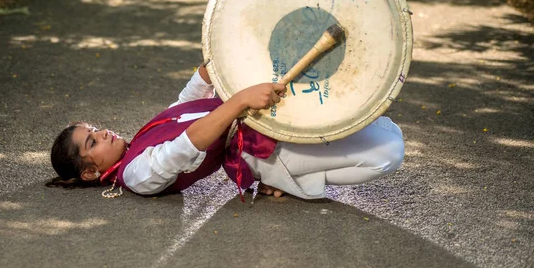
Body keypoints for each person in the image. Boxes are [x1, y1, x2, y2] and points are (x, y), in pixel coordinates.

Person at [46, 64, 405, 200]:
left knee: (367, 127)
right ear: (91, 172)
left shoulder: (139, 140)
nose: (104, 133)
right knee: (388, 151)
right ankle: (285, 180)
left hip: (255, 123)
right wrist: (238, 101)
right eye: (92, 141)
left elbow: (184, 105)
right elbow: (186, 145)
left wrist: (212, 62)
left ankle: (293, 178)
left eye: (96, 129)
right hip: (256, 151)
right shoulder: (136, 175)